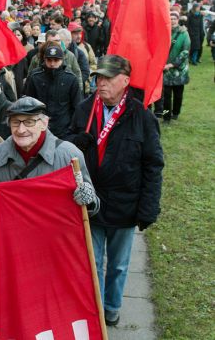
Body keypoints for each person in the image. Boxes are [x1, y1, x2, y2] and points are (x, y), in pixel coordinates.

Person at [68, 54, 164, 327]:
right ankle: (95, 307)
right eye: (98, 77)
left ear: (125, 80)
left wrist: (148, 208)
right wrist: (77, 141)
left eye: (108, 78)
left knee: (120, 264)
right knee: (92, 261)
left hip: (125, 205)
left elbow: (153, 165)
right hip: (92, 201)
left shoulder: (141, 116)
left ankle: (112, 306)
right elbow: (67, 146)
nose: (101, 83)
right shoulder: (85, 110)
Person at [0, 97, 99, 214]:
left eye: (29, 122)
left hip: (52, 235)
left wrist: (88, 201)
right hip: (10, 235)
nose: (21, 130)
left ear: (44, 124)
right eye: (15, 122)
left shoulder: (70, 155)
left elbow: (90, 210)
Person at [24, 42, 82, 138]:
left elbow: (76, 107)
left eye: (56, 60)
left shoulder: (71, 79)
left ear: (62, 60)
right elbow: (28, 103)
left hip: (63, 130)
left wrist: (72, 129)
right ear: (44, 59)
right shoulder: (35, 77)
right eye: (49, 60)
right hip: (39, 128)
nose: (52, 63)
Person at [156, 12, 190, 123]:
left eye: (174, 18)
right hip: (165, 70)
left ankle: (175, 113)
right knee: (166, 97)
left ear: (178, 20)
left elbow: (185, 52)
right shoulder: (164, 32)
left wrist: (172, 64)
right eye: (170, 18)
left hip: (179, 71)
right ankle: (166, 116)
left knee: (178, 95)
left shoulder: (184, 33)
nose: (173, 20)